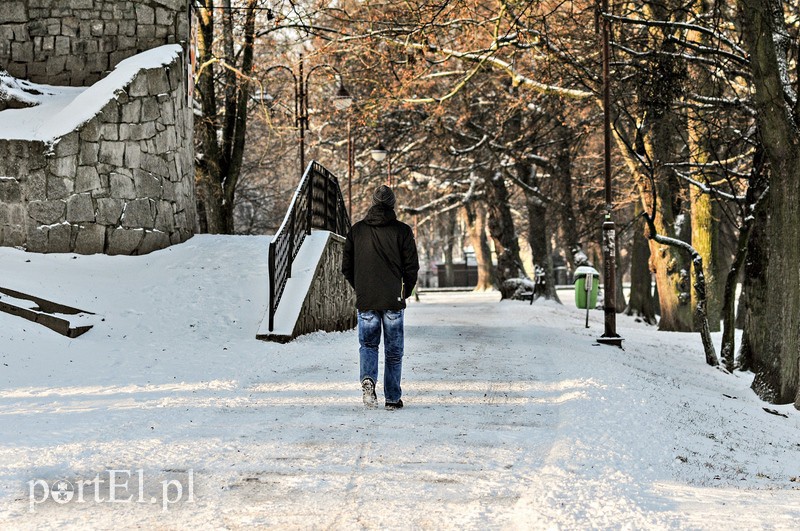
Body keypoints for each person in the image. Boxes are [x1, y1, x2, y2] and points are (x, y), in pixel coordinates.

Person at [341, 185, 420, 410]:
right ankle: (392, 398)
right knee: (393, 351)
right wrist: (405, 292)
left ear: (373, 203)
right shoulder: (402, 231)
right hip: (393, 298)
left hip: (367, 298)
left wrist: (361, 288)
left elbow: (346, 267)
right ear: (392, 204)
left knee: (368, 345)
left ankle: (368, 380)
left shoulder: (357, 231)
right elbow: (412, 267)